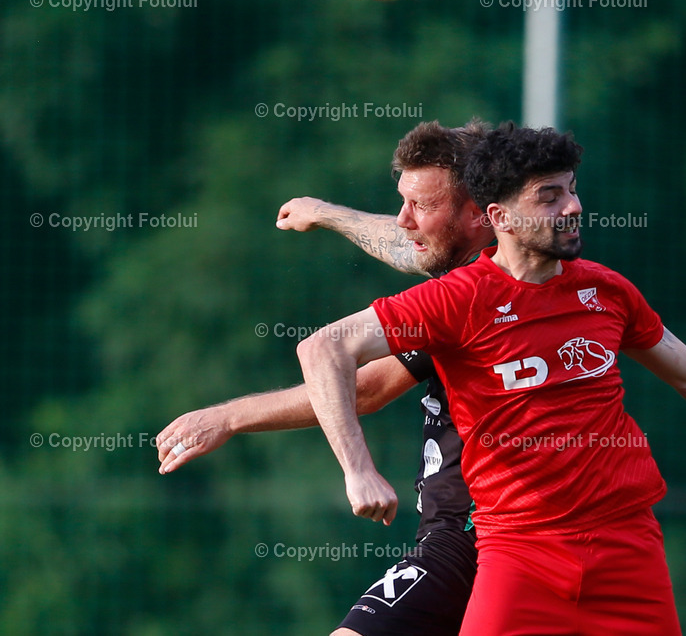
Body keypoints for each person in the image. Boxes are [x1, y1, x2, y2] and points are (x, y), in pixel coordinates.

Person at [298, 122, 686, 636]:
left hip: (628, 550)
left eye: (571, 189)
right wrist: (358, 469)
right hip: (519, 555)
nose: (573, 206)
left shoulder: (605, 290)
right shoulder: (456, 300)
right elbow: (323, 347)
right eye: (549, 196)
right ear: (499, 218)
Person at [155, 120, 494, 636]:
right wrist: (327, 213)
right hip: (468, 536)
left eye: (421, 205)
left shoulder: (473, 299)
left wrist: (230, 417)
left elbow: (364, 387)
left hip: (470, 537)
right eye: (403, 201)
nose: (403, 220)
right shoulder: (481, 266)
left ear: (479, 214)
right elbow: (411, 243)